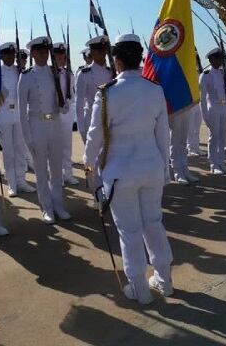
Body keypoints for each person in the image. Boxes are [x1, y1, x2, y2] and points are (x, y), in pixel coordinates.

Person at [84, 34, 173, 306]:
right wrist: (165, 170)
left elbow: (94, 136)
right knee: (153, 224)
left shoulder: (107, 93)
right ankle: (165, 280)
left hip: (120, 173)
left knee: (130, 232)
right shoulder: (154, 90)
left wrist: (89, 169)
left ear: (117, 60)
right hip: (152, 168)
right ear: (140, 59)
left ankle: (139, 288)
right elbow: (163, 136)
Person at [18, 36, 72, 224]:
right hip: (37, 125)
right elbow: (21, 111)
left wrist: (63, 105)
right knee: (41, 170)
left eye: (45, 52)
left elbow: (63, 101)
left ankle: (58, 205)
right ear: (32, 53)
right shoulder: (26, 76)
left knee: (56, 169)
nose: (43, 55)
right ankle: (46, 207)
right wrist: (27, 137)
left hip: (54, 124)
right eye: (39, 52)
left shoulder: (55, 73)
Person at [0, 43, 35, 196]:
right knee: (8, 151)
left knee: (19, 149)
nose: (10, 57)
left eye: (12, 54)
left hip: (18, 113)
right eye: (7, 54)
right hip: (4, 114)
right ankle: (11, 182)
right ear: (2, 56)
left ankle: (21, 180)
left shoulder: (21, 71)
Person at [199, 47, 226, 173]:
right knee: (214, 136)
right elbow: (202, 98)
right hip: (213, 108)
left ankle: (221, 161)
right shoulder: (205, 75)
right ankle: (213, 164)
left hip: (223, 107)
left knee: (223, 136)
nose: (219, 61)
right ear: (211, 60)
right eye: (216, 58)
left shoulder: (224, 73)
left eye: (220, 58)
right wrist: (205, 115)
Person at [76, 35, 114, 142]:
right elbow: (79, 104)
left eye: (104, 50)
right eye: (98, 50)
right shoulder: (84, 74)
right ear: (92, 52)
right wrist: (82, 129)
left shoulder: (111, 72)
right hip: (92, 119)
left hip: (110, 119)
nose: (102, 53)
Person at [52, 42, 78, 185]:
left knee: (67, 145)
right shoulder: (49, 74)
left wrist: (68, 105)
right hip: (54, 114)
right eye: (59, 56)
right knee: (56, 147)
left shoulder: (69, 74)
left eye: (63, 56)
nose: (62, 58)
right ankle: (58, 176)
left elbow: (72, 95)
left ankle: (68, 173)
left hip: (66, 113)